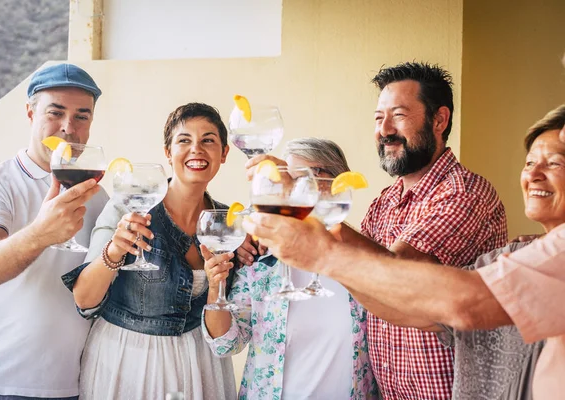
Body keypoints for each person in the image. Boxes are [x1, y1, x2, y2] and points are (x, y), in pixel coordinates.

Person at [242, 105, 565, 399]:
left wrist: (323, 252)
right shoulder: (512, 255)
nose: (534, 174)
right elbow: (413, 308)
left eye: (556, 163)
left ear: (439, 120)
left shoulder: (466, 192)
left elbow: (462, 302)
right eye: (529, 163)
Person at [297, 62, 508, 399]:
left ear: (439, 120)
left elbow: (397, 274)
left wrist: (316, 215)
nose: (385, 129)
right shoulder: (384, 203)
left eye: (398, 115)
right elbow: (355, 276)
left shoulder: (466, 192)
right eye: (379, 118)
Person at [61, 103, 237, 400]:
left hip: (200, 365)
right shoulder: (126, 206)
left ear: (224, 153)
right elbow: (85, 300)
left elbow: (225, 329)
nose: (196, 149)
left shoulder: (228, 222)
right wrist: (115, 250)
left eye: (208, 140)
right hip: (128, 362)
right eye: (184, 140)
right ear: (168, 152)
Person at [0, 64, 108, 399]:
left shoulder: (98, 195)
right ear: (30, 113)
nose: (68, 127)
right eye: (55, 112)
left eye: (81, 116)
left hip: (68, 386)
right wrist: (42, 233)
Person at [201, 137, 378, 399]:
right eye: (287, 181)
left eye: (305, 180)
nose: (292, 192)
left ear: (338, 185)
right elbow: (226, 343)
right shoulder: (262, 261)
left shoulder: (362, 258)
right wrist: (216, 285)